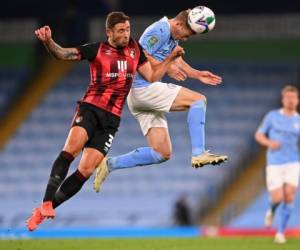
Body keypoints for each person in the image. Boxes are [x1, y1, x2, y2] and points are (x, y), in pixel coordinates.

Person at [26, 11, 184, 231]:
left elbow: (152, 76)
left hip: (111, 120)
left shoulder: (135, 50)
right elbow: (63, 54)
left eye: (128, 29)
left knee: (86, 170)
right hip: (91, 109)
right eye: (121, 31)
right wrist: (48, 42)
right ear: (109, 32)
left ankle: (42, 212)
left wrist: (170, 59)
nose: (126, 34)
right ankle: (45, 201)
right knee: (71, 150)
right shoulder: (97, 50)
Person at [93, 8, 228, 192]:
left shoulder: (173, 34)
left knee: (161, 153)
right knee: (198, 101)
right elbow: (137, 53)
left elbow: (176, 61)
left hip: (138, 97)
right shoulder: (160, 30)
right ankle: (199, 153)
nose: (187, 38)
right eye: (188, 33)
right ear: (179, 24)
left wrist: (197, 74)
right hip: (143, 89)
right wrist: (166, 66)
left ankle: (109, 164)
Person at [255, 85, 300, 244]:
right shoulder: (272, 116)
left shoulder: (298, 120)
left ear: (297, 100)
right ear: (283, 99)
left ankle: (280, 233)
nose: (290, 100)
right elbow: (259, 134)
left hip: (293, 163)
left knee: (289, 196)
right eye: (287, 97)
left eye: (293, 97)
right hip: (274, 163)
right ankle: (271, 210)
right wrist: (269, 143)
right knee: (278, 197)